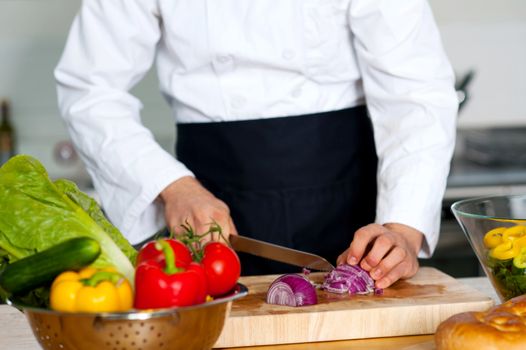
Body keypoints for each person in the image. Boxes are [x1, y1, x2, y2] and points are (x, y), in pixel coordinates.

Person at [55, 0, 458, 288]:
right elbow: (89, 89)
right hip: (207, 206)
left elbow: (417, 93)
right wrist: (173, 187)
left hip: (346, 201)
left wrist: (402, 229)